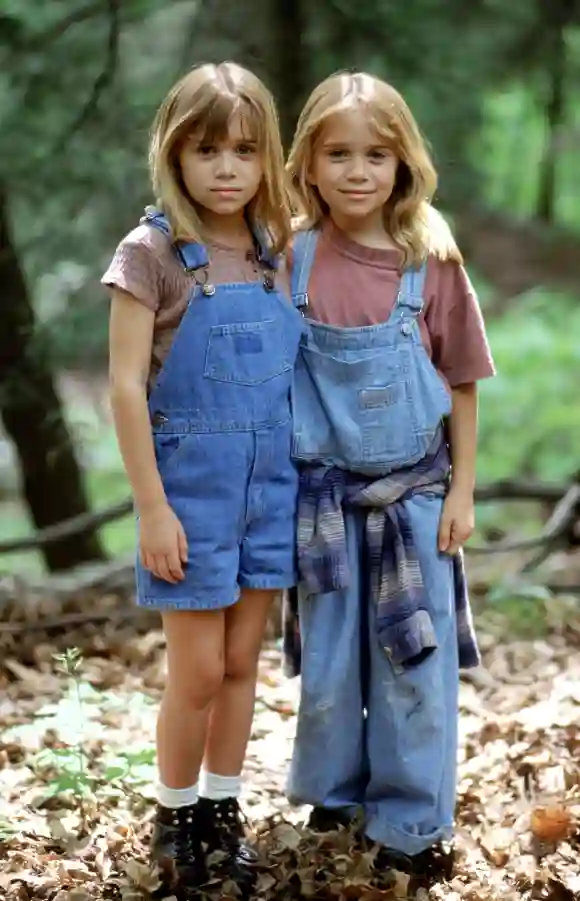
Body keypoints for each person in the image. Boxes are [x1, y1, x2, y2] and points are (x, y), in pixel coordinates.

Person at [283, 70, 495, 881]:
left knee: (413, 668)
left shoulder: (429, 260)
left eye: (377, 154)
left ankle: (409, 822)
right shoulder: (292, 258)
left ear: (405, 163)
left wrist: (465, 490)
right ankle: (336, 798)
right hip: (325, 506)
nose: (358, 171)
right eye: (339, 153)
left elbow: (465, 381)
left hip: (416, 497)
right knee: (333, 666)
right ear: (308, 160)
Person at [103, 61, 304, 895]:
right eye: (207, 149)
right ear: (173, 153)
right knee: (193, 671)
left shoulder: (276, 248)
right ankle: (174, 815)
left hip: (270, 487)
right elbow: (122, 385)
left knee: (241, 664)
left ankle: (225, 811)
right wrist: (151, 507)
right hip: (188, 492)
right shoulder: (149, 252)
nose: (226, 168)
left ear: (268, 159)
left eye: (245, 150)